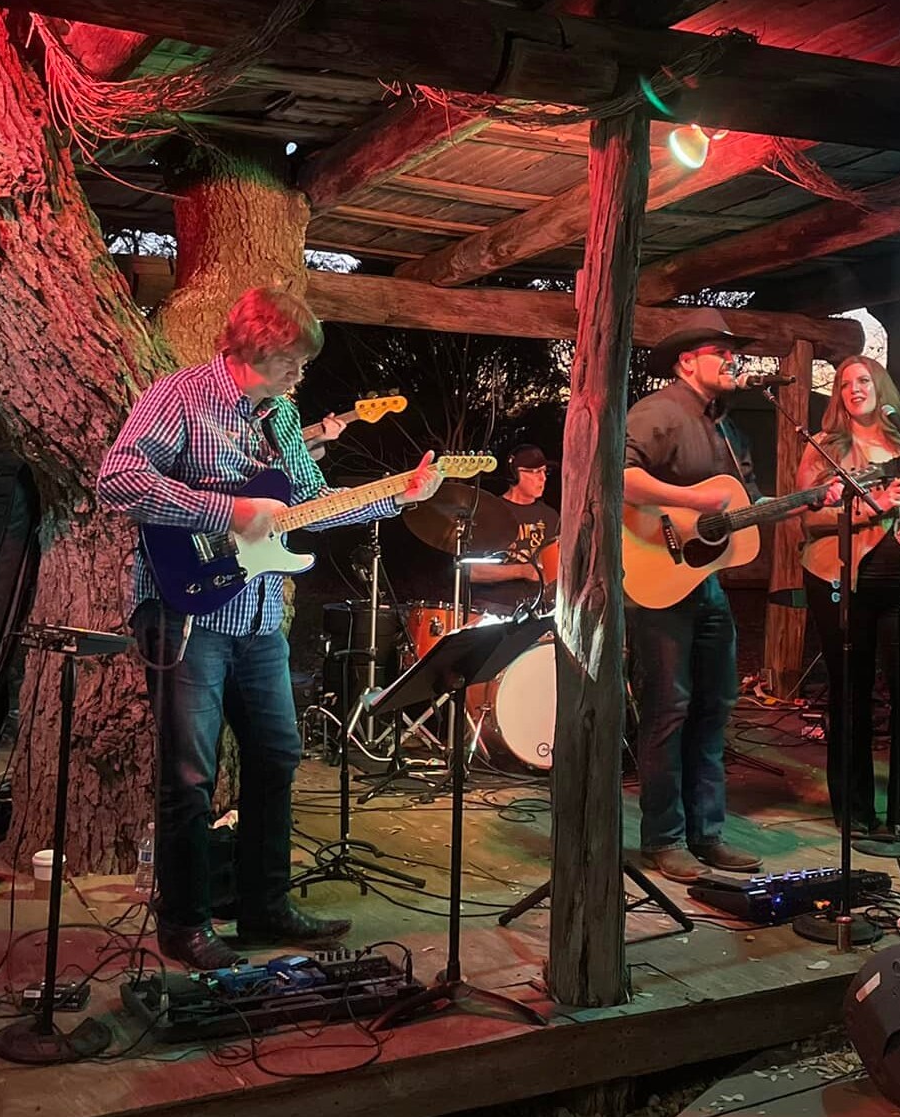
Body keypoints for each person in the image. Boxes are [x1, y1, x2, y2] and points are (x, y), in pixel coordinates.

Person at [97, 286, 443, 970]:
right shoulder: (182, 396)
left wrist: (395, 495)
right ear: (259, 348)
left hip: (257, 615)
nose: (302, 375)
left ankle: (264, 905)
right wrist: (223, 510)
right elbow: (118, 479)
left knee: (278, 757)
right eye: (294, 360)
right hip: (188, 609)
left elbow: (307, 505)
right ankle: (184, 922)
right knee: (190, 776)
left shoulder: (282, 417)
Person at [624, 314, 834, 883]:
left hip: (705, 584)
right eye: (721, 352)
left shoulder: (728, 428)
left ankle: (707, 834)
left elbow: (749, 507)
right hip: (659, 582)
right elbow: (617, 476)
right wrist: (690, 503)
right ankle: (662, 840)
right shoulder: (658, 411)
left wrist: (812, 499)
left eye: (734, 353)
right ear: (686, 361)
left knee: (716, 706)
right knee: (669, 709)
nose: (733, 362)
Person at [797, 355, 900, 843]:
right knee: (851, 693)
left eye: (863, 380)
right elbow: (808, 518)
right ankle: (855, 810)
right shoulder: (825, 447)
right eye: (845, 385)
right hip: (843, 581)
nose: (854, 389)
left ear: (882, 386)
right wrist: (867, 509)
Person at [468, 444, 559, 618]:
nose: (543, 479)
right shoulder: (490, 511)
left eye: (544, 472)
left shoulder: (550, 516)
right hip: (491, 609)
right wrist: (522, 571)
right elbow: (471, 571)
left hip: (537, 612)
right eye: (535, 472)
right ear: (514, 474)